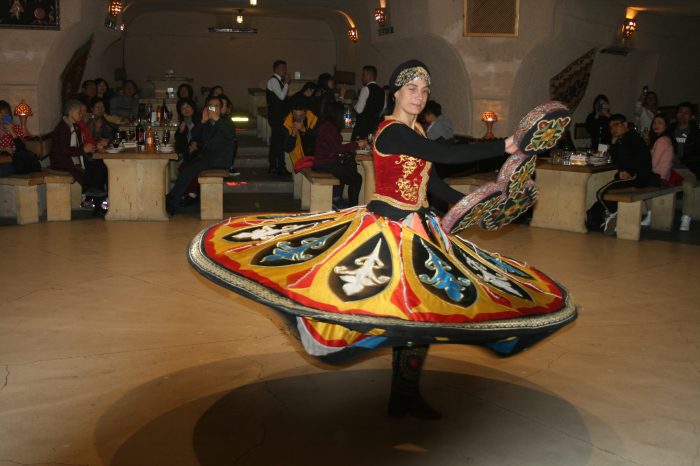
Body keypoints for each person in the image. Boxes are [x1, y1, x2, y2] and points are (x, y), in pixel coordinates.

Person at [188, 59, 576, 421]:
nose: (420, 95)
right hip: (388, 228)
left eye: (425, 89)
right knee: (375, 302)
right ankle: (384, 379)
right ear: (396, 92)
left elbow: (433, 181)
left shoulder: (417, 130)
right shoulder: (390, 132)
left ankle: (405, 395)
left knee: (421, 312)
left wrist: (476, 204)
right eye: (413, 88)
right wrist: (505, 145)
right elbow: (444, 153)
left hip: (421, 228)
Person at [166, 95, 235, 215]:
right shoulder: (207, 123)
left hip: (220, 160)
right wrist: (202, 121)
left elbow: (229, 134)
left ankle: (172, 199)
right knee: (187, 169)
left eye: (216, 106)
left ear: (220, 108)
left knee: (190, 169)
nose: (213, 109)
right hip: (208, 158)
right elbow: (195, 134)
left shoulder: (226, 121)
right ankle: (173, 199)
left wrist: (217, 119)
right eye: (210, 106)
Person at [594, 113, 654, 234]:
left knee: (601, 193)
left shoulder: (630, 138)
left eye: (616, 125)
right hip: (635, 175)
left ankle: (615, 215)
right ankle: (613, 215)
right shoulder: (627, 138)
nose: (613, 129)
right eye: (610, 127)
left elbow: (636, 159)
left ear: (625, 124)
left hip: (637, 177)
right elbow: (620, 159)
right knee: (605, 191)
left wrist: (627, 171)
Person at [49, 99, 107, 203]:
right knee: (97, 166)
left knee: (101, 164)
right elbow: (64, 150)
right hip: (62, 161)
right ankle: (91, 191)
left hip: (72, 157)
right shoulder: (63, 127)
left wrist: (94, 146)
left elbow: (81, 143)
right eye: (79, 112)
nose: (81, 115)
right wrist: (83, 149)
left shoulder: (74, 126)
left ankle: (94, 194)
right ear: (70, 112)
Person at [312, 101, 365, 208]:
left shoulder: (329, 126)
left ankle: (338, 198)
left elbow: (335, 147)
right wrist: (356, 145)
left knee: (350, 167)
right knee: (356, 178)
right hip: (324, 164)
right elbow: (337, 149)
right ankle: (352, 208)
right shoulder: (328, 128)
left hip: (327, 162)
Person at [669, 101, 700, 231]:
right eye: (680, 112)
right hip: (671, 169)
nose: (683, 115)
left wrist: (682, 158)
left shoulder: (696, 133)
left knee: (687, 185)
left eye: (686, 113)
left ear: (692, 116)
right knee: (655, 183)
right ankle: (650, 214)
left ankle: (686, 217)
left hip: (689, 170)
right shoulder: (670, 130)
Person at [0, 99, 39, 176]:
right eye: (0, 113)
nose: (3, 115)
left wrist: (12, 132)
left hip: (17, 159)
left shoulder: (16, 128)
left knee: (22, 163)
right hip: (5, 161)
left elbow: (22, 148)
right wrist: (4, 149)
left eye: (6, 113)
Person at [267, 60, 291, 176]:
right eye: (282, 68)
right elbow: (281, 97)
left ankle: (279, 166)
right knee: (277, 142)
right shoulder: (273, 81)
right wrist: (286, 83)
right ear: (276, 69)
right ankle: (275, 166)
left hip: (280, 117)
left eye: (285, 68)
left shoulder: (279, 82)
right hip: (276, 117)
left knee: (279, 142)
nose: (285, 70)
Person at [283, 96, 318, 169]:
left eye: (301, 116)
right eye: (295, 116)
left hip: (314, 157)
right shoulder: (288, 123)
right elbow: (287, 148)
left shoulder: (313, 119)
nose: (298, 118)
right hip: (298, 160)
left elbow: (318, 140)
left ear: (306, 113)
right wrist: (293, 134)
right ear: (292, 113)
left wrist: (304, 130)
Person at [351, 65, 384, 140]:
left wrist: (355, 104)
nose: (361, 78)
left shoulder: (365, 89)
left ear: (369, 76)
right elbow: (383, 109)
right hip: (375, 130)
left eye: (363, 75)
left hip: (362, 130)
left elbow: (359, 110)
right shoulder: (382, 91)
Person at [219, 94, 240, 177]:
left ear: (227, 109)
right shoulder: (208, 117)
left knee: (233, 141)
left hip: (223, 144)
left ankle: (228, 166)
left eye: (222, 105)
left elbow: (230, 135)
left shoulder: (227, 120)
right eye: (217, 105)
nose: (220, 107)